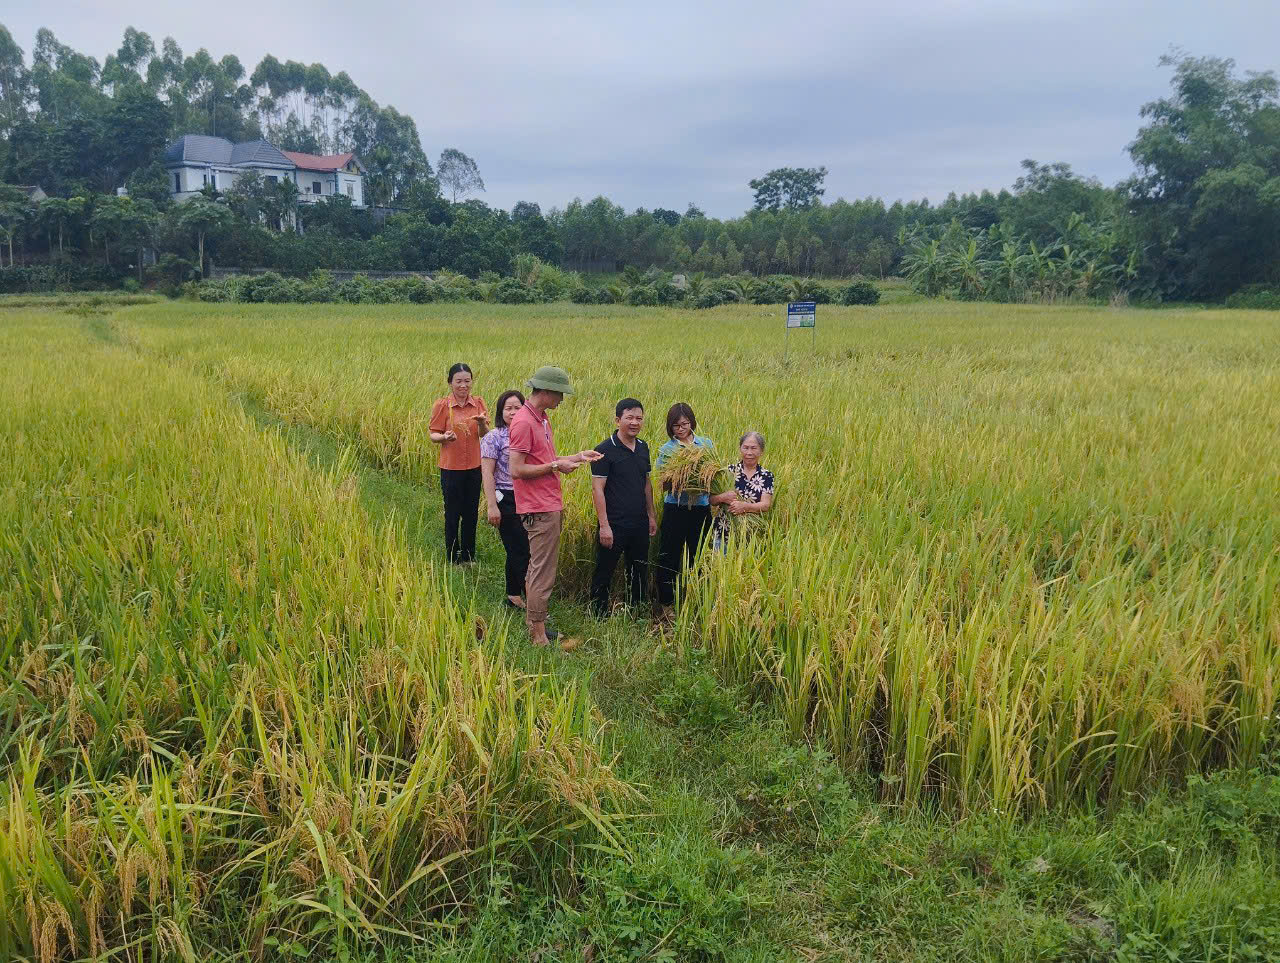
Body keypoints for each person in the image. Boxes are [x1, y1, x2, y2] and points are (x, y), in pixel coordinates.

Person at [508, 365, 602, 646]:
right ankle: (538, 635)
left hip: (547, 502)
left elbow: (543, 459)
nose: (561, 399)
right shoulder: (524, 422)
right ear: (546, 391)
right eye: (559, 394)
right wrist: (555, 466)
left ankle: (533, 623)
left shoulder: (542, 419)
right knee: (542, 571)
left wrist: (577, 456)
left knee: (537, 568)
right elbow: (517, 469)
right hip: (538, 506)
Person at [589, 398, 657, 618]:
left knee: (639, 569)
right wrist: (604, 526)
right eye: (629, 417)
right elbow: (597, 489)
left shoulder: (643, 447)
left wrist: (651, 515)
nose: (634, 422)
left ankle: (636, 612)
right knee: (604, 570)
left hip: (639, 521)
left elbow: (646, 483)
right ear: (618, 420)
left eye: (639, 418)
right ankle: (598, 614)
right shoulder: (604, 450)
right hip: (614, 522)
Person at [654, 402, 715, 621]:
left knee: (699, 556)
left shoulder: (705, 445)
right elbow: (663, 483)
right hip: (675, 508)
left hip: (700, 509)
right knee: (669, 555)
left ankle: (696, 602)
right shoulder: (667, 449)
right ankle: (666, 605)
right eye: (676, 426)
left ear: (692, 423)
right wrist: (679, 478)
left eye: (685, 424)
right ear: (670, 427)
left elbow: (713, 476)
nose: (681, 429)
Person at [429, 363, 488, 565]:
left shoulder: (479, 404)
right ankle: (453, 557)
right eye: (459, 381)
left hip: (474, 466)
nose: (463, 385)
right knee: (453, 513)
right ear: (450, 383)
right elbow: (432, 434)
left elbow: (484, 435)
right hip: (450, 468)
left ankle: (469, 556)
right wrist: (444, 436)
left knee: (471, 512)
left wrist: (481, 423)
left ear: (472, 382)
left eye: (467, 381)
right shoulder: (442, 406)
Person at [481, 390, 530, 610]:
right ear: (501, 412)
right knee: (521, 550)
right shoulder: (494, 437)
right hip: (506, 497)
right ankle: (534, 605)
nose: (513, 412)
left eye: (517, 407)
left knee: (518, 548)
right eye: (508, 408)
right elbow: (487, 473)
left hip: (528, 496)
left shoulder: (528, 432)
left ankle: (513, 595)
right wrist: (492, 505)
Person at [710, 431, 775, 549]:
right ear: (740, 449)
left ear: (761, 451)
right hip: (723, 531)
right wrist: (722, 497)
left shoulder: (767, 476)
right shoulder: (728, 471)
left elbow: (766, 505)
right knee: (719, 566)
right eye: (745, 447)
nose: (749, 452)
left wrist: (744, 507)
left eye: (754, 448)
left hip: (751, 533)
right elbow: (711, 499)